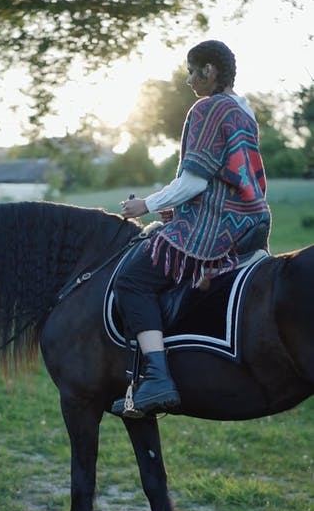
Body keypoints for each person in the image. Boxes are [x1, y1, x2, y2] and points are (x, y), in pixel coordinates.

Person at [111, 39, 271, 417]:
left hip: (214, 229)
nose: (188, 80)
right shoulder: (243, 112)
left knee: (132, 279)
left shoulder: (209, 108)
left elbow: (196, 180)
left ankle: (159, 379)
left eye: (192, 70)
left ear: (210, 70)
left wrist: (146, 205)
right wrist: (176, 209)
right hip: (251, 221)